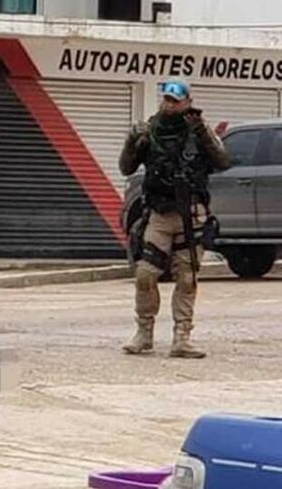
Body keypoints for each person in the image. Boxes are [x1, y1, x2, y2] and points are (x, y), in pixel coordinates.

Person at [119, 78, 229, 359]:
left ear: (187, 102)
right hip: (159, 214)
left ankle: (182, 337)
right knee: (145, 274)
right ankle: (144, 333)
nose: (170, 105)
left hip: (190, 215)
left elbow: (221, 161)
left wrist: (202, 130)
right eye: (167, 99)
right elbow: (126, 167)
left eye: (176, 101)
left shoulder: (198, 131)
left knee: (187, 277)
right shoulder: (151, 131)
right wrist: (132, 141)